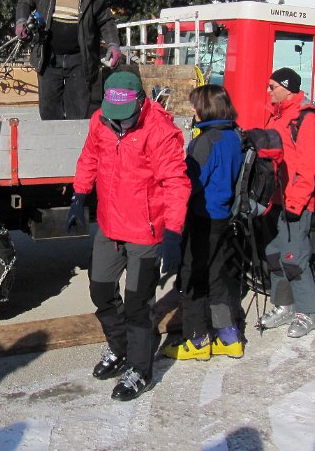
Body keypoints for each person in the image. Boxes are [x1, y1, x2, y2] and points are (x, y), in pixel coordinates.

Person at [66, 70, 191, 400]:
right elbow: (90, 157)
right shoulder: (100, 119)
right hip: (109, 226)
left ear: (141, 102)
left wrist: (173, 233)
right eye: (113, 116)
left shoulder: (160, 132)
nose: (119, 122)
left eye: (126, 116)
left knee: (138, 304)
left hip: (145, 233)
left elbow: (176, 184)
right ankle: (119, 348)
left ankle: (140, 367)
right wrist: (79, 195)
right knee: (101, 291)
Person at [163, 85, 244, 362]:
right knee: (216, 278)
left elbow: (191, 182)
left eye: (195, 106)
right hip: (222, 217)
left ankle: (197, 339)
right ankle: (228, 336)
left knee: (191, 279)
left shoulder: (206, 141)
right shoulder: (234, 134)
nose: (193, 111)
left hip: (202, 218)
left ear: (206, 108)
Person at [257, 67, 315, 338]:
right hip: (274, 199)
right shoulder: (278, 116)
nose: (269, 91)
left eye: (273, 86)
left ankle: (308, 311)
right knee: (274, 255)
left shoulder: (305, 120)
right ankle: (284, 304)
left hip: (294, 202)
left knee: (294, 259)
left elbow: (310, 165)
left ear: (287, 87)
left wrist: (296, 203)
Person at [15, 0, 122, 120]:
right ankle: (52, 144)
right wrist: (21, 22)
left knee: (78, 111)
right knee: (49, 110)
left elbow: (106, 21)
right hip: (49, 57)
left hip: (80, 60)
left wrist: (113, 44)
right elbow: (24, 3)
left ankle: (75, 145)